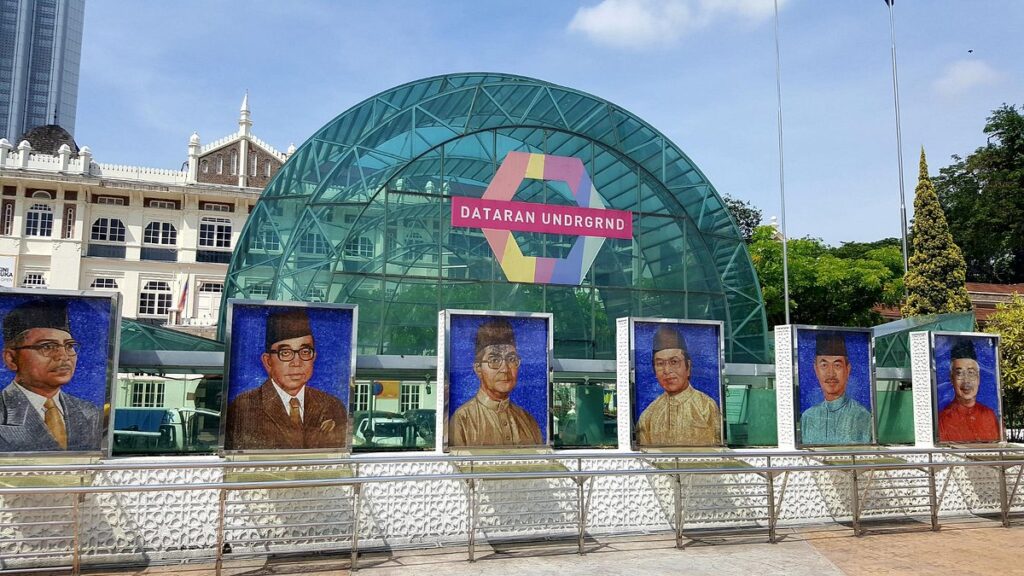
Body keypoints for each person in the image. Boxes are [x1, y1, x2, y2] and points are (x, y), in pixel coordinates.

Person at [226, 308, 348, 450]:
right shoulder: (243, 408)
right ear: (268, 362)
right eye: (285, 353)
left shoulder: (333, 406)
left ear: (313, 357)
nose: (296, 362)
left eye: (305, 351)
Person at [0, 299, 101, 452]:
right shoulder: (3, 412)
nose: (63, 356)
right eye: (47, 346)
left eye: (69, 346)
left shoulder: (89, 412)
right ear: (11, 359)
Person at [450, 318, 542, 447]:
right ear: (478, 369)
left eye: (511, 359)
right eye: (494, 360)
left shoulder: (528, 421)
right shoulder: (462, 419)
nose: (505, 369)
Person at [636, 325, 721, 446]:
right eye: (660, 363)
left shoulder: (706, 407)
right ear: (654, 370)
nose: (667, 370)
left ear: (688, 366)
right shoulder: (648, 416)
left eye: (674, 362)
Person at [800, 331, 872, 445]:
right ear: (816, 369)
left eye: (837, 365)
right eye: (824, 365)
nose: (831, 374)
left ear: (847, 370)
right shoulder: (808, 417)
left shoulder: (861, 415)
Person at [938, 338, 1000, 443]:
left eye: (971, 373)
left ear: (979, 378)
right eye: (959, 373)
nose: (966, 381)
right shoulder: (943, 418)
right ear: (951, 378)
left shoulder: (989, 415)